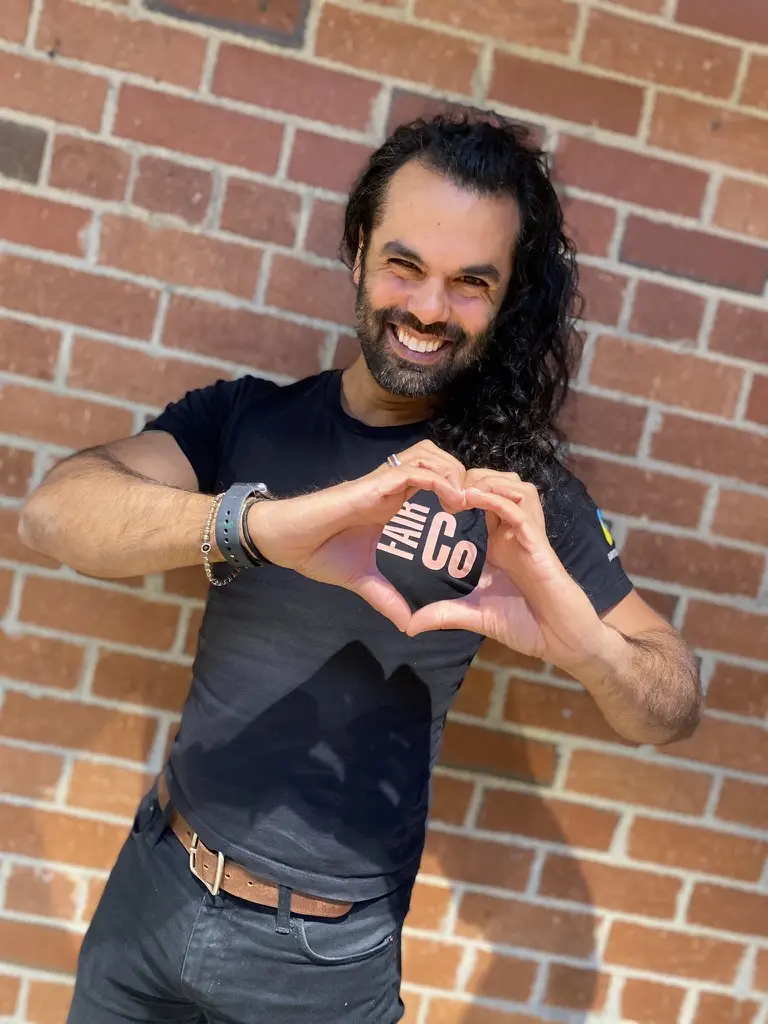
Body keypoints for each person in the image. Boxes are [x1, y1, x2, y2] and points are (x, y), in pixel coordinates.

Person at [19, 113, 701, 1024]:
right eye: (404, 265)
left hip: (322, 967)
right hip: (153, 887)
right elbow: (53, 513)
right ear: (357, 251)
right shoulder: (247, 418)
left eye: (471, 283)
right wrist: (256, 526)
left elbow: (672, 703)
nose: (428, 309)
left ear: (506, 303)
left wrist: (593, 653)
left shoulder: (512, 494)